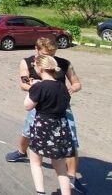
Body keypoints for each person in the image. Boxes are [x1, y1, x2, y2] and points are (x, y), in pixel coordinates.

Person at [6, 37, 86, 194]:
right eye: (46, 54)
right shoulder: (27, 62)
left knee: (72, 142)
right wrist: (34, 87)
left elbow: (76, 83)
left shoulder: (63, 63)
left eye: (53, 54)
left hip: (60, 106)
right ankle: (22, 152)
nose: (50, 58)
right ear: (36, 49)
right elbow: (23, 83)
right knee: (28, 132)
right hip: (39, 103)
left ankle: (72, 179)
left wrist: (72, 89)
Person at [23, 54, 74, 195]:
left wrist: (32, 89)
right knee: (60, 167)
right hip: (61, 126)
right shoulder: (62, 87)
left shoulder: (39, 87)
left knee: (35, 160)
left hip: (43, 126)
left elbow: (27, 106)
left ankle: (40, 192)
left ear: (40, 68)